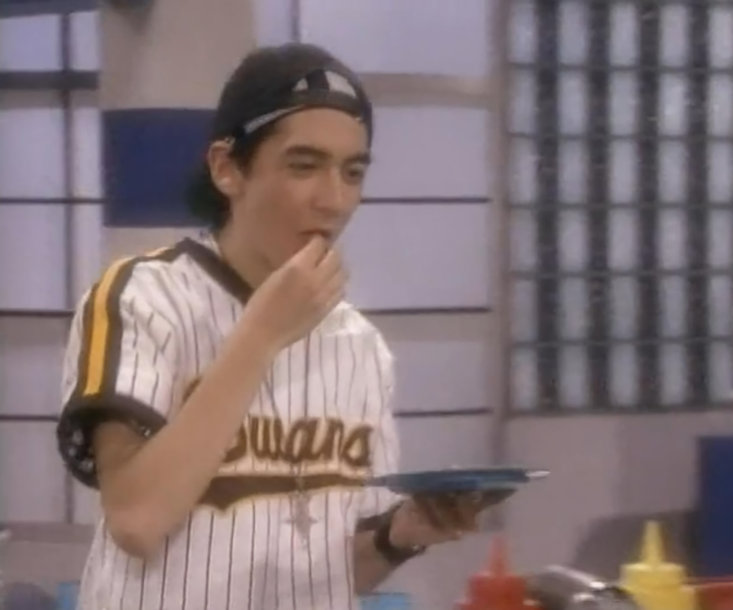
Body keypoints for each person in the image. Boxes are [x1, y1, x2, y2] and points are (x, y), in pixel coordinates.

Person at [56, 43, 488, 610]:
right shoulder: (142, 298)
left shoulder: (361, 346)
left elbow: (332, 572)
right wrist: (261, 334)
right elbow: (137, 519)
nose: (334, 200)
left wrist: (399, 535)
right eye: (303, 166)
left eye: (352, 172)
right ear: (226, 168)